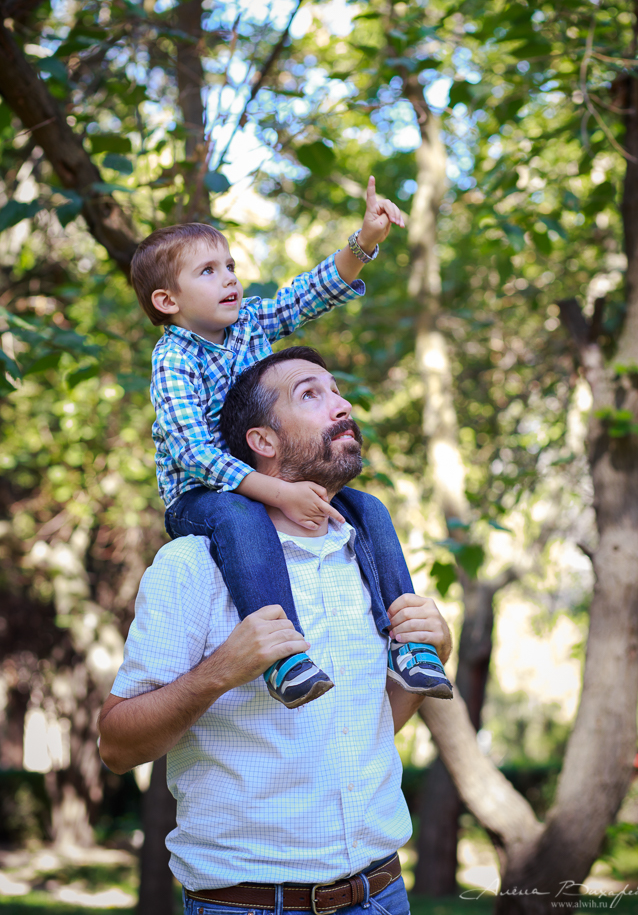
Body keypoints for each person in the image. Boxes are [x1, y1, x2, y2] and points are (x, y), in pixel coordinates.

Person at [98, 346, 453, 915]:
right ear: (262, 441)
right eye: (310, 394)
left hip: (383, 895)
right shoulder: (193, 565)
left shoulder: (366, 556)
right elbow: (115, 745)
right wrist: (220, 672)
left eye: (336, 390)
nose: (340, 404)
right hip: (249, 906)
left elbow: (367, 728)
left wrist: (437, 650)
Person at [130, 179, 451, 708]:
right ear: (167, 300)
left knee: (366, 508)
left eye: (230, 266)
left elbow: (311, 293)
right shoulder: (173, 360)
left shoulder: (250, 321)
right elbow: (190, 450)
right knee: (240, 519)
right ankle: (284, 658)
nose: (229, 279)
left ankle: (409, 644)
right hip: (202, 496)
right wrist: (276, 493)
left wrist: (364, 241)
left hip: (260, 478)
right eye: (208, 272)